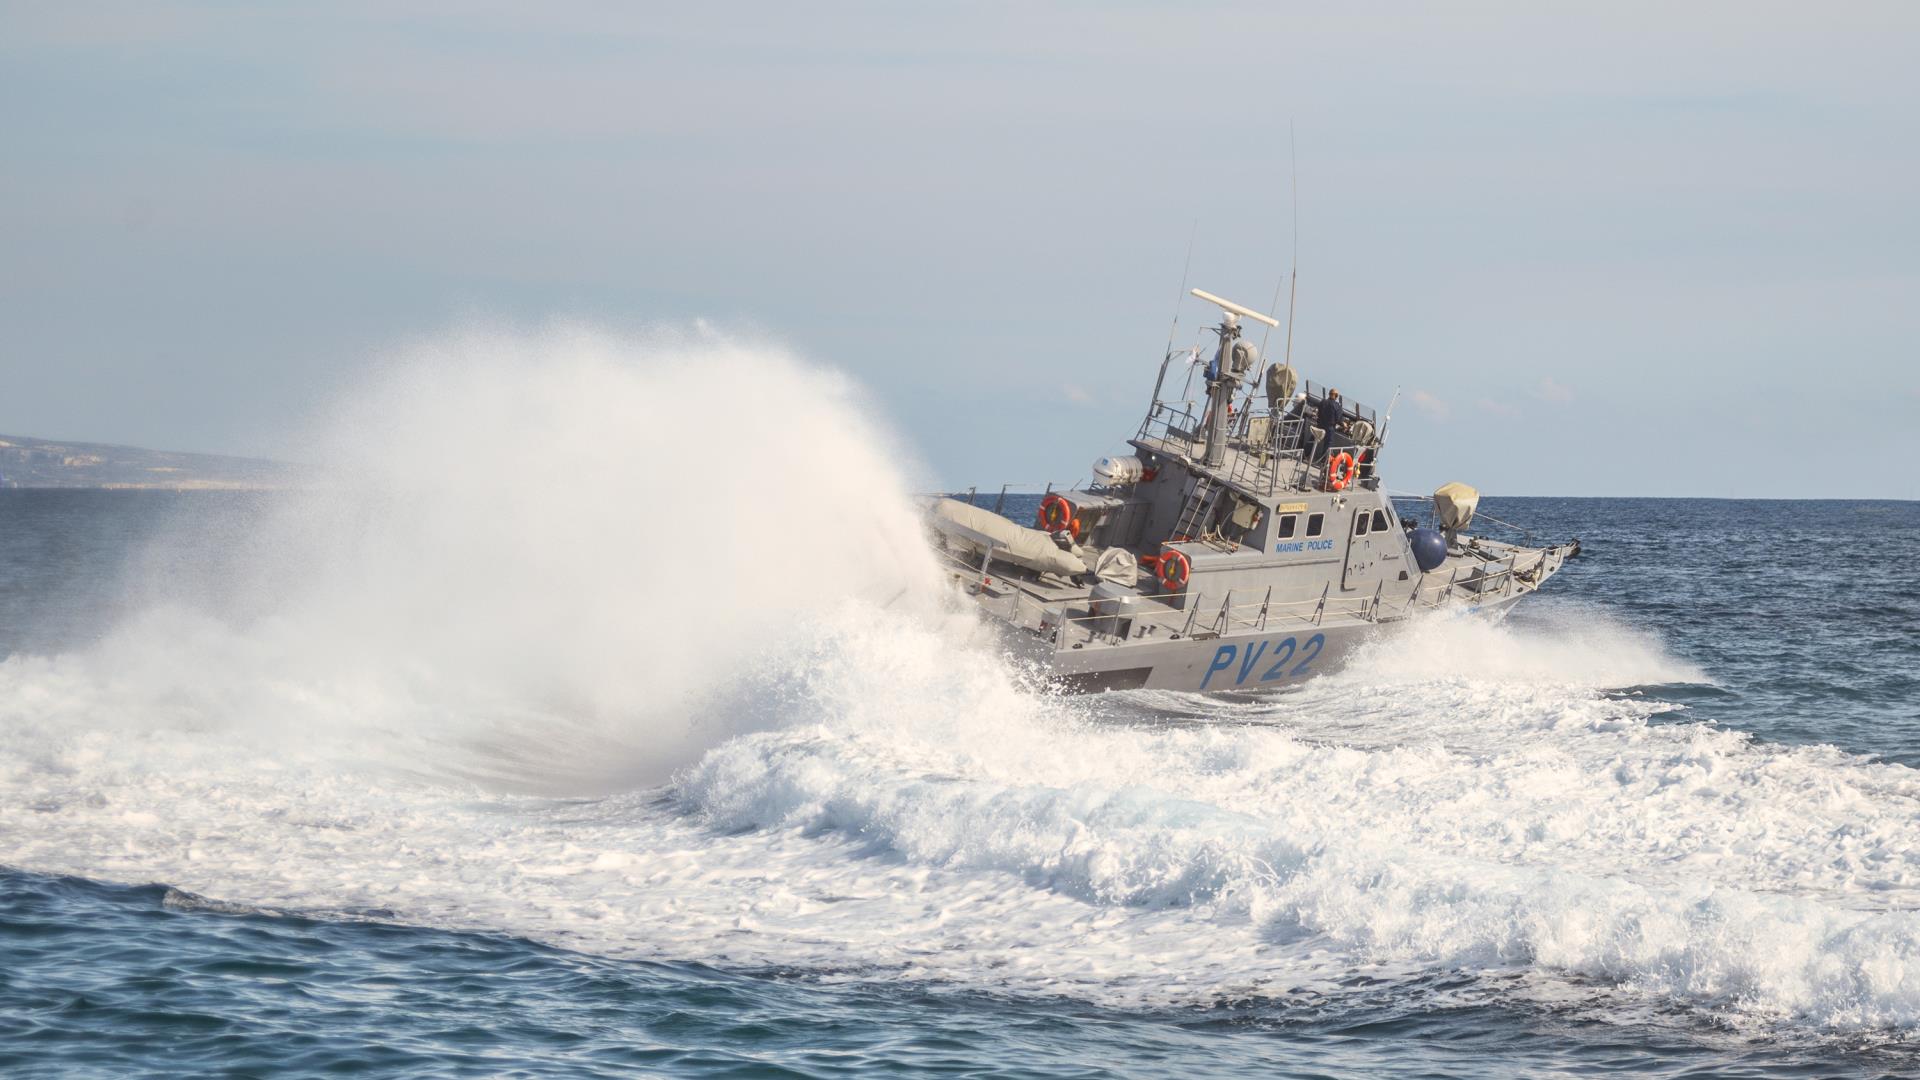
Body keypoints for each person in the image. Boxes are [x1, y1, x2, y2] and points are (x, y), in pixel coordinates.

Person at [1313, 387, 1344, 464]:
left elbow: (1318, 412)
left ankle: (1306, 454)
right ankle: (1323, 461)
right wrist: (1344, 424)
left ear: (1329, 394)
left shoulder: (1323, 402)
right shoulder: (1337, 406)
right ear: (1336, 396)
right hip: (1329, 428)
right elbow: (1338, 419)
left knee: (1313, 439)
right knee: (1328, 444)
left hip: (1320, 425)